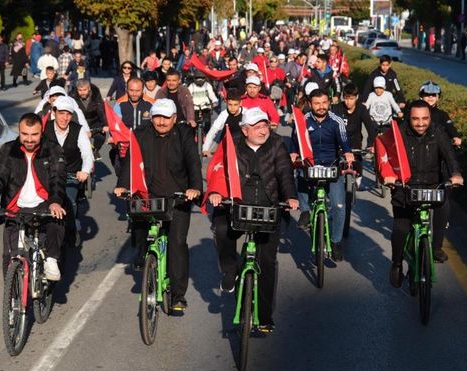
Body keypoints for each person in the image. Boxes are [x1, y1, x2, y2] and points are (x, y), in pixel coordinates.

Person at [208, 107, 298, 333]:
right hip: (237, 205)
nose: (262, 130)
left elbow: (285, 173)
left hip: (269, 205)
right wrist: (216, 192)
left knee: (267, 263)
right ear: (245, 129)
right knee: (220, 227)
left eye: (265, 125)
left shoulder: (277, 144)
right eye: (257, 127)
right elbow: (219, 170)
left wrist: (290, 197)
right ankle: (230, 270)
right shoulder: (232, 143)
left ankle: (265, 317)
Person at [114, 99, 202, 312]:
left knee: (177, 243)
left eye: (165, 118)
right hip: (149, 195)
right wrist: (122, 185)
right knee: (139, 229)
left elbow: (193, 162)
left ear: (174, 118)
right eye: (157, 117)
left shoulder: (184, 135)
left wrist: (195, 188)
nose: (161, 122)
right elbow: (131, 162)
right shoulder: (141, 133)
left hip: (178, 196)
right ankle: (145, 259)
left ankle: (178, 295)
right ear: (151, 117)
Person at [381, 100, 464, 287]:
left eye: (425, 118)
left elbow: (450, 156)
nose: (421, 123)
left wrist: (456, 174)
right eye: (416, 119)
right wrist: (388, 176)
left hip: (431, 187)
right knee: (401, 229)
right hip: (405, 188)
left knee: (443, 208)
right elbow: (385, 155)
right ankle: (396, 263)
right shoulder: (399, 133)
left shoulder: (438, 132)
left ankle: (435, 247)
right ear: (409, 118)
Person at [0, 113, 67, 280]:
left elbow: (58, 178)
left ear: (41, 132)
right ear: (19, 132)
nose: (29, 139)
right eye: (25, 134)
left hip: (44, 205)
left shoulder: (53, 149)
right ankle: (13, 296)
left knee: (57, 220)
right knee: (9, 256)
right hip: (16, 208)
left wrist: (55, 202)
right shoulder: (8, 150)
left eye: (34, 134)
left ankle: (50, 260)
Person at [290, 89, 354, 260]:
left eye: (324, 103)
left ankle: (336, 242)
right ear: (310, 104)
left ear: (329, 103)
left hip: (332, 168)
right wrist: (293, 152)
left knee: (340, 206)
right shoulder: (303, 121)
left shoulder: (336, 121)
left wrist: (348, 152)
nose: (321, 107)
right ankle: (304, 212)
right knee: (300, 174)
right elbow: (295, 141)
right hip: (310, 165)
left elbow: (344, 140)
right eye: (317, 103)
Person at [42, 97, 94, 245]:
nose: (64, 118)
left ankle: (71, 229)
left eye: (68, 114)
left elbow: (87, 154)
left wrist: (84, 171)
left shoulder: (78, 130)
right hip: (50, 175)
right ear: (54, 112)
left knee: (69, 201)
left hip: (71, 175)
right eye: (61, 113)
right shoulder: (44, 128)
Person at [331, 82, 376, 189]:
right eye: (346, 98)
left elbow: (370, 127)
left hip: (355, 139)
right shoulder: (336, 108)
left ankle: (358, 176)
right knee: (334, 161)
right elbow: (330, 126)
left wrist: (371, 144)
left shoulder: (362, 109)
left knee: (357, 158)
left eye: (351, 98)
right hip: (339, 139)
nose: (348, 102)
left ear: (357, 97)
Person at [70, 79, 107, 160]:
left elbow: (101, 110)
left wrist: (105, 124)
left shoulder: (96, 94)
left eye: (84, 90)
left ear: (89, 88)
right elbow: (71, 112)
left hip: (93, 119)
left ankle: (95, 150)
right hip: (79, 121)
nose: (82, 92)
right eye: (80, 90)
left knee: (101, 136)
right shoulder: (72, 96)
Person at [202, 88, 245, 156]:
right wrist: (205, 148)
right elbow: (212, 132)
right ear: (226, 102)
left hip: (242, 146)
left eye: (235, 104)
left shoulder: (246, 113)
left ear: (240, 103)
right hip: (226, 144)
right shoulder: (223, 115)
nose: (232, 108)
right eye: (230, 104)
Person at [418, 80, 461, 147]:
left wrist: (455, 136)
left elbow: (450, 127)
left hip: (438, 148)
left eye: (434, 95)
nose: (430, 97)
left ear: (438, 97)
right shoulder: (414, 112)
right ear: (421, 97)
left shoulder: (442, 114)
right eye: (427, 94)